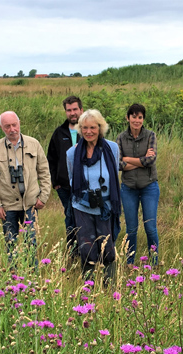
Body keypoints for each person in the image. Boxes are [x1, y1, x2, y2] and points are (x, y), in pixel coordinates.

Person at [0, 111, 51, 260]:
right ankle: (13, 279)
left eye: (14, 125)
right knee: (10, 244)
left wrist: (44, 197)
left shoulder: (34, 144)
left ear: (19, 123)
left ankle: (32, 277)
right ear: (1, 127)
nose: (12, 129)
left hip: (30, 204)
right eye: (7, 126)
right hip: (7, 205)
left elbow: (44, 172)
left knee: (31, 243)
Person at [67, 109, 121, 280]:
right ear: (80, 129)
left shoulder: (112, 148)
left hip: (105, 206)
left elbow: (114, 177)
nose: (88, 132)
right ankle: (89, 286)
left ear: (100, 128)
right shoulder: (72, 153)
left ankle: (109, 284)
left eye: (93, 127)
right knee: (87, 247)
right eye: (84, 128)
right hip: (82, 206)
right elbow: (71, 180)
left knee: (107, 248)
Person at [117, 103, 159, 265]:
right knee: (131, 229)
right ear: (128, 118)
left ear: (143, 119)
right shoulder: (120, 138)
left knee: (150, 227)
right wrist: (141, 160)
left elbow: (151, 160)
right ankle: (129, 263)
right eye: (133, 116)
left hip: (149, 187)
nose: (137, 120)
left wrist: (128, 160)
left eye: (140, 117)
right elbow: (118, 164)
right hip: (128, 188)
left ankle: (154, 263)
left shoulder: (150, 135)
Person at [47, 95, 82, 256]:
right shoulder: (59, 132)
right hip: (64, 185)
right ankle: (73, 252)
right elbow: (51, 159)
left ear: (81, 110)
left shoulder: (89, 131)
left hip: (84, 184)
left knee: (81, 217)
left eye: (75, 109)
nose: (72, 113)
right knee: (70, 217)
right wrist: (55, 182)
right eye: (69, 110)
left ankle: (85, 249)